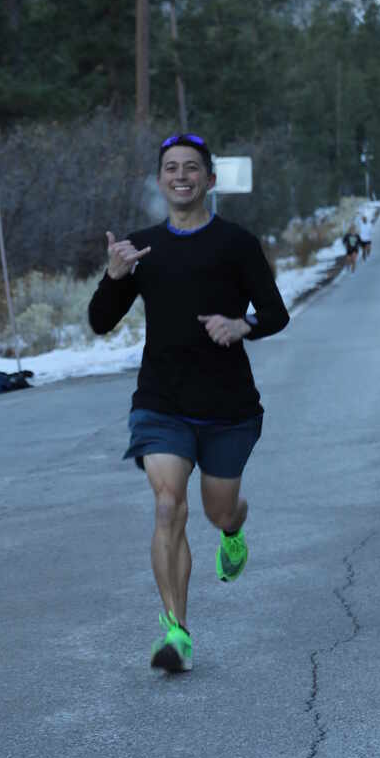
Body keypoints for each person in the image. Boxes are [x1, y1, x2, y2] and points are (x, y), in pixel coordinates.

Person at [87, 134, 290, 674]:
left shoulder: (237, 244)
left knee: (218, 510)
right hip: (162, 402)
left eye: (192, 168)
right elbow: (100, 321)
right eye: (171, 168)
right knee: (166, 506)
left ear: (210, 179)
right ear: (160, 181)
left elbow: (276, 314)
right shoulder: (141, 248)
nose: (182, 176)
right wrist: (114, 276)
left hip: (228, 408)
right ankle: (176, 631)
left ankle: (233, 529)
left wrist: (242, 325)